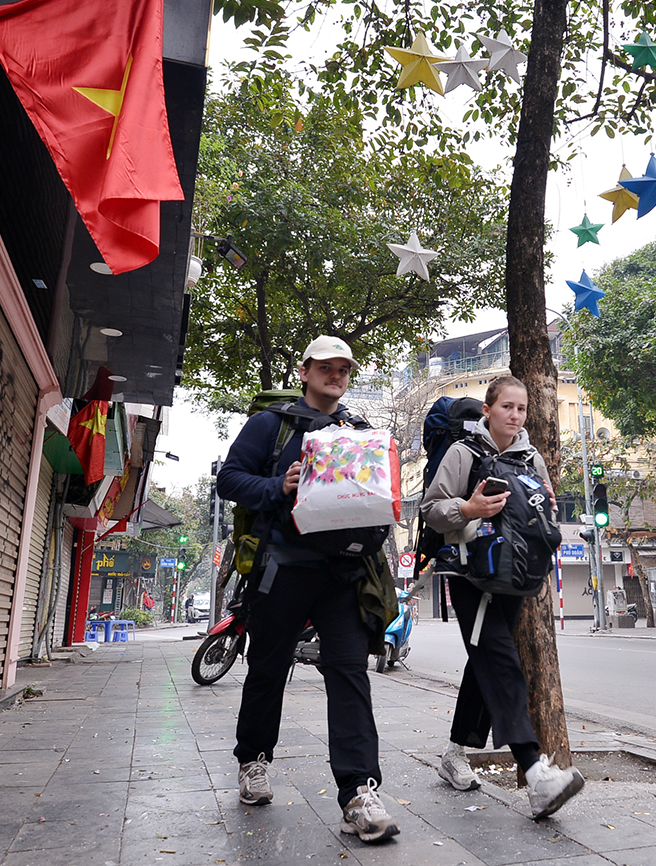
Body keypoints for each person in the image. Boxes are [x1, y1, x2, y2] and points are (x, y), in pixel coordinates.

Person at [216, 335, 399, 843]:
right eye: (326, 366)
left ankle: (359, 793)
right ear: (304, 370)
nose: (335, 375)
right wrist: (280, 486)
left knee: (349, 674)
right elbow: (229, 480)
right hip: (284, 570)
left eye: (344, 369)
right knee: (268, 669)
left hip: (345, 575)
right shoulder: (270, 426)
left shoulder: (360, 431)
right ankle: (252, 761)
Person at [420, 375, 585, 820]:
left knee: (486, 664)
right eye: (507, 407)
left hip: (514, 578)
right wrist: (469, 509)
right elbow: (431, 510)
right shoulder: (463, 453)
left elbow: (543, 512)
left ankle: (455, 753)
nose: (515, 416)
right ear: (488, 409)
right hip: (470, 576)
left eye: (522, 409)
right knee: (501, 659)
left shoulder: (532, 458)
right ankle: (535, 774)